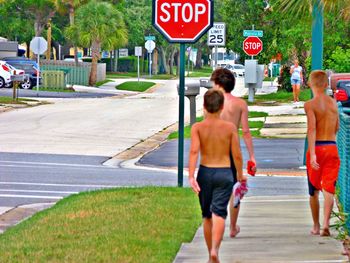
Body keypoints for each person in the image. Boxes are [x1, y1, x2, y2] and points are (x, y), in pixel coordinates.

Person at [188, 89, 245, 263]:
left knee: (206, 215)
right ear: (222, 107)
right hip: (224, 173)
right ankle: (215, 249)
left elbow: (194, 151)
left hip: (205, 172)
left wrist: (191, 175)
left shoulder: (197, 127)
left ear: (204, 106)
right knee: (219, 213)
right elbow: (236, 154)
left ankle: (210, 253)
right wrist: (240, 175)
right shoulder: (229, 128)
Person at [210, 68, 256, 238]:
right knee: (236, 188)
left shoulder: (212, 103)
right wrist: (252, 156)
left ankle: (217, 222)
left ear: (218, 83)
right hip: (232, 150)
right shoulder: (240, 104)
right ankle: (232, 227)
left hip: (213, 150)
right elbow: (246, 132)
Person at [305, 70, 340, 237]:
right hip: (332, 146)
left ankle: (316, 225)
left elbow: (312, 129)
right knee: (329, 188)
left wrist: (312, 154)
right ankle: (326, 223)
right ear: (326, 85)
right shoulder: (334, 103)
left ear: (310, 84)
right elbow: (338, 127)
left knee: (314, 189)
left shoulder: (310, 105)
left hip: (317, 147)